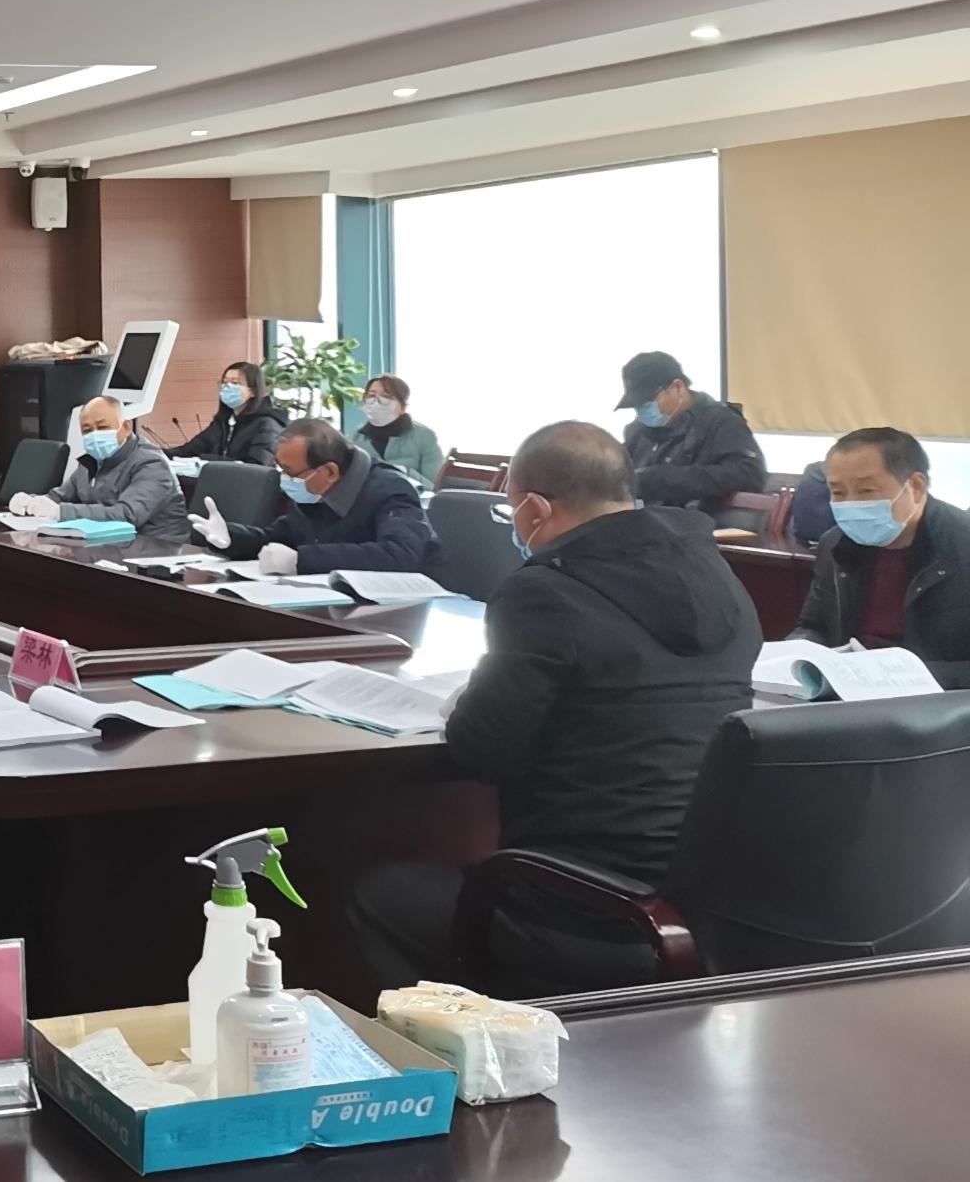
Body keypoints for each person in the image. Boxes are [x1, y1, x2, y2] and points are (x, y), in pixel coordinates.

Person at [350, 422, 760, 997]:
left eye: (510, 511)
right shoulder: (719, 574)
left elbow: (484, 750)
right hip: (700, 909)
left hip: (576, 905)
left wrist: (475, 697)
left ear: (536, 507)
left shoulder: (544, 591)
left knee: (378, 897)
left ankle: (466, 1050)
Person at [790, 428, 970, 688]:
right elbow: (813, 625)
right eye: (838, 493)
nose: (851, 504)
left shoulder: (961, 544)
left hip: (939, 701)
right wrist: (798, 655)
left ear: (916, 486)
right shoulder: (835, 543)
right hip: (852, 692)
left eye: (866, 491)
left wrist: (905, 677)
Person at [188, 417, 440, 575]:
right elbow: (282, 538)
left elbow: (401, 554)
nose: (284, 480)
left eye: (290, 472)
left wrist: (303, 560)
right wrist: (232, 537)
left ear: (329, 471)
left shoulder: (390, 489)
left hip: (398, 610)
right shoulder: (312, 492)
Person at [8, 396, 193, 544]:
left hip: (156, 554)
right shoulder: (91, 461)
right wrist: (31, 502)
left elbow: (126, 516)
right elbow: (59, 497)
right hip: (107, 547)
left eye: (103, 427)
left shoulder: (151, 463)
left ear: (126, 427)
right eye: (87, 430)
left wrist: (60, 512)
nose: (95, 435)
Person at [616, 350, 764, 506]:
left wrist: (664, 479)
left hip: (698, 517)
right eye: (637, 405)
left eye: (647, 402)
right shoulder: (638, 431)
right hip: (645, 516)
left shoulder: (721, 422)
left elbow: (750, 474)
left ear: (678, 387)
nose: (642, 411)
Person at [167, 362, 287, 467]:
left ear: (253, 391)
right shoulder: (223, 422)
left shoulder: (267, 424)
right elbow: (189, 450)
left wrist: (205, 460)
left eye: (235, 383)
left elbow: (257, 466)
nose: (227, 387)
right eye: (224, 382)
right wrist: (159, 454)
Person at [356, 374, 445, 489]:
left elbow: (435, 487)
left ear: (403, 407)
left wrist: (405, 472)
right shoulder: (357, 437)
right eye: (371, 395)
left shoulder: (424, 436)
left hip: (411, 498)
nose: (376, 402)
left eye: (386, 396)